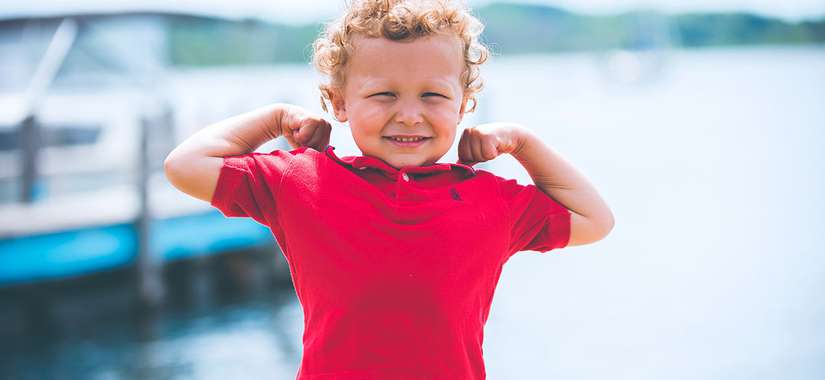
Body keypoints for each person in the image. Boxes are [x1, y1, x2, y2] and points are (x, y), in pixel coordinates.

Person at [164, 0, 614, 378]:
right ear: (340, 102)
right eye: (384, 95)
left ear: (464, 106)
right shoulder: (302, 181)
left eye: (433, 97)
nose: (410, 115)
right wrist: (275, 118)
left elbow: (596, 221)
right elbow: (184, 165)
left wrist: (524, 142)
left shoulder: (490, 199)